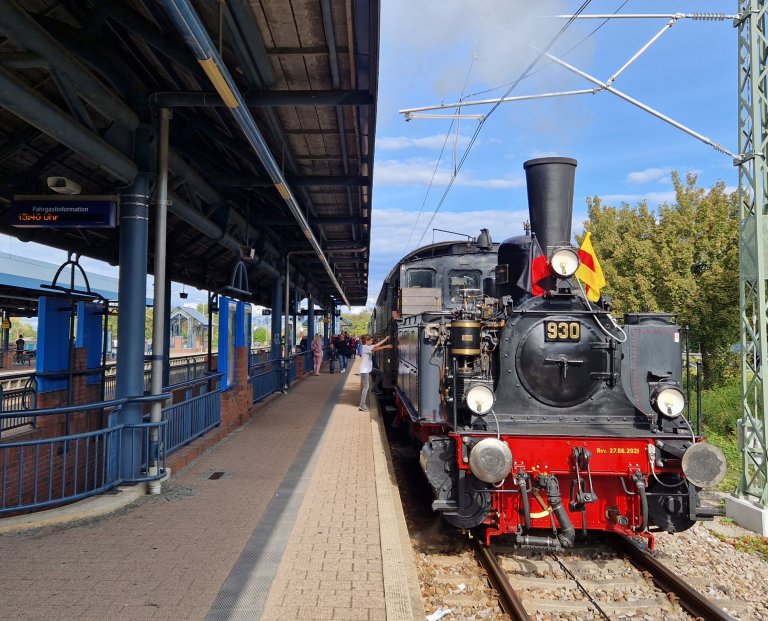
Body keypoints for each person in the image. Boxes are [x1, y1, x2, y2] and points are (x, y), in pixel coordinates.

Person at [358, 334, 392, 412]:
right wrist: (386, 346)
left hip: (368, 368)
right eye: (370, 340)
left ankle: (374, 388)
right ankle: (362, 405)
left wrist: (385, 339)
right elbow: (376, 349)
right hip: (364, 370)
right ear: (366, 341)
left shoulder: (367, 346)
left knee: (380, 373)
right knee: (366, 387)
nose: (372, 341)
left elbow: (376, 345)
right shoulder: (365, 347)